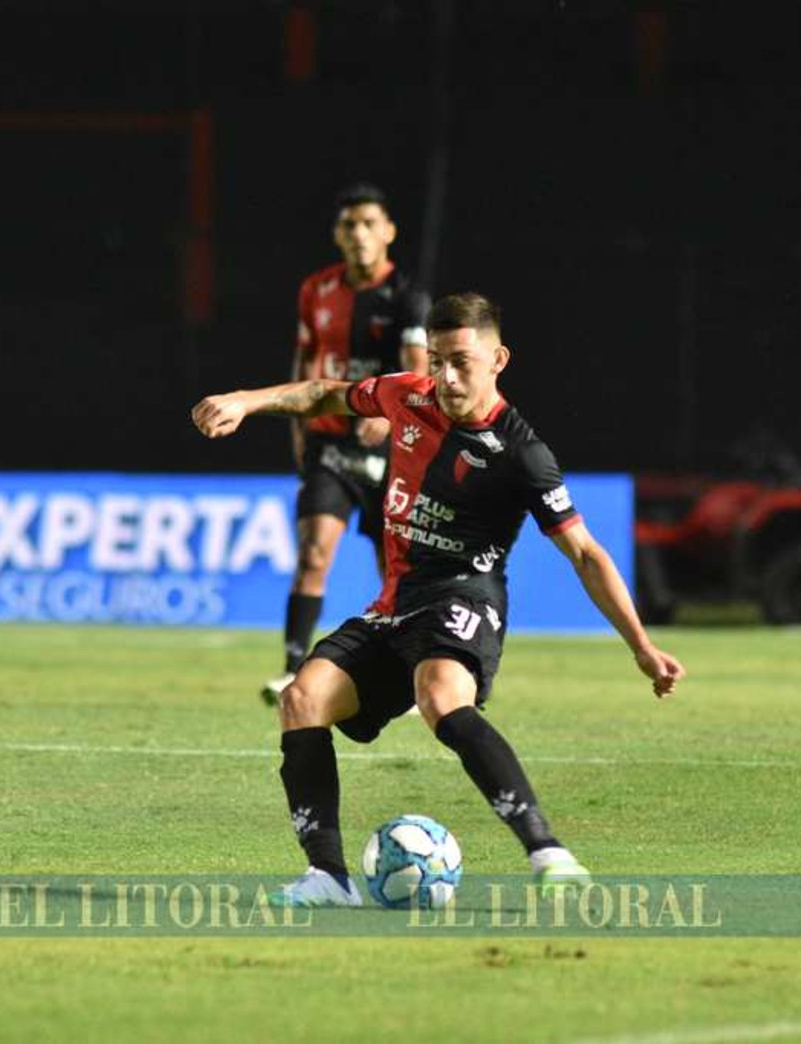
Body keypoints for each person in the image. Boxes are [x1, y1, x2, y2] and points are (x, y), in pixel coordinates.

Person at [193, 292, 686, 906]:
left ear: (498, 360)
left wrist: (641, 646)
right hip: (393, 605)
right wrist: (246, 400)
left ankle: (549, 854)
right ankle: (328, 876)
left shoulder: (522, 454)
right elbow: (323, 393)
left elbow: (585, 553)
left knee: (440, 697)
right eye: (437, 360)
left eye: (461, 362)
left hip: (464, 598)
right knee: (302, 698)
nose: (446, 377)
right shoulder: (408, 395)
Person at [263, 183, 430, 704]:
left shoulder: (407, 296)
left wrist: (391, 416)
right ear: (337, 234)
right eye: (349, 225)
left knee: (392, 567)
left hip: (390, 449)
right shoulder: (316, 290)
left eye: (368, 224)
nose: (359, 234)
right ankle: (293, 669)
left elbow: (419, 371)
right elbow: (305, 361)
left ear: (388, 232)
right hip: (329, 445)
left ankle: (405, 671)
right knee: (313, 552)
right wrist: (297, 427)